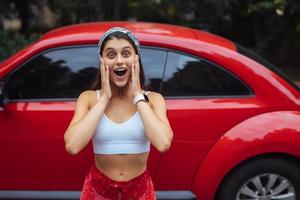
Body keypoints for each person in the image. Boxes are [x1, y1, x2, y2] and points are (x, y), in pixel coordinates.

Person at [63, 27, 174, 200]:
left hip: (140, 191)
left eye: (126, 54)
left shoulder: (153, 100)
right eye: (111, 55)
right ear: (102, 61)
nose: (119, 61)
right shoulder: (89, 98)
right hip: (98, 191)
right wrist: (105, 97)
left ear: (136, 60)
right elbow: (72, 145)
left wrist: (138, 96)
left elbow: (163, 143)